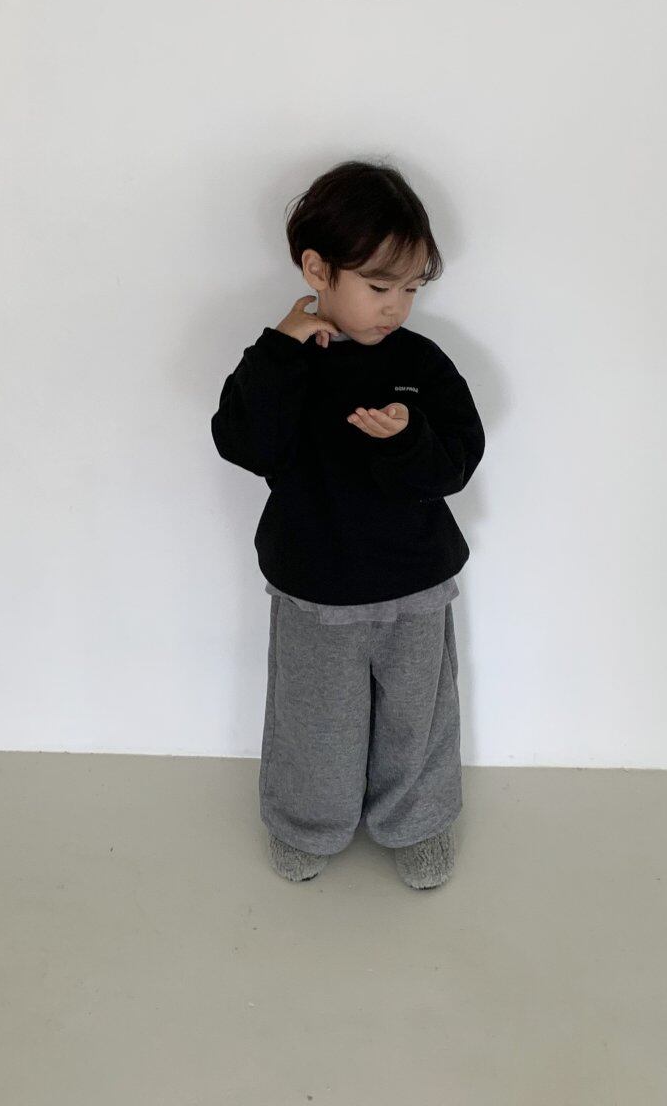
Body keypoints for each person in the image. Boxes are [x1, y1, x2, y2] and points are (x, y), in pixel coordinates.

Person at [210, 160, 486, 889]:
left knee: (417, 719)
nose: (397, 306)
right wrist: (280, 348)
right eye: (379, 286)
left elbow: (458, 461)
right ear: (317, 269)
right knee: (314, 720)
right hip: (315, 583)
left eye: (411, 288)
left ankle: (417, 822)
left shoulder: (422, 363)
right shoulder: (284, 360)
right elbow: (243, 444)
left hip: (415, 581)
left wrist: (407, 439)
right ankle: (308, 823)